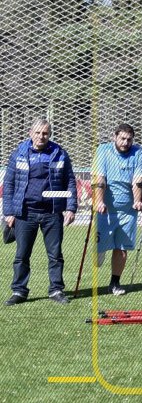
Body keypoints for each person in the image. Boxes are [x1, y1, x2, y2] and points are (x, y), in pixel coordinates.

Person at [3, 119, 78, 306]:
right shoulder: (19, 153)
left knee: (55, 255)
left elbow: (70, 180)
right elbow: (9, 184)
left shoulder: (59, 153)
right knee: (21, 255)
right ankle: (19, 291)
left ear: (49, 134)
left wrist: (70, 207)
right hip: (24, 212)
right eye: (37, 133)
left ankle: (56, 290)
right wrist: (9, 212)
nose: (41, 136)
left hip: (52, 212)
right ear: (30, 133)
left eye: (45, 133)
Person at [92, 123, 142, 296]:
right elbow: (100, 179)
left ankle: (114, 283)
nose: (125, 142)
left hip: (127, 210)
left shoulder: (138, 153)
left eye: (129, 139)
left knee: (121, 248)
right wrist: (99, 201)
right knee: (98, 256)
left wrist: (138, 201)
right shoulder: (103, 150)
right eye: (122, 138)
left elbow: (138, 180)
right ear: (114, 136)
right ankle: (98, 251)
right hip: (105, 209)